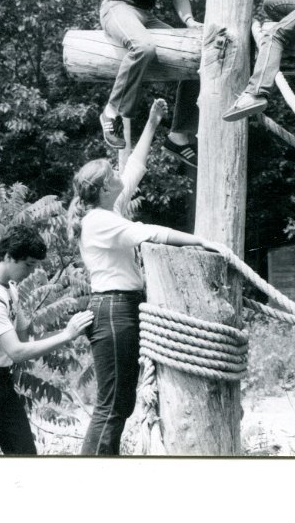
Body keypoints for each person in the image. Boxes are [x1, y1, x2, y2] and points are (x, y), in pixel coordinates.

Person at [68, 98, 220, 455]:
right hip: (113, 309)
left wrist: (153, 122)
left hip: (120, 307)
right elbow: (151, 233)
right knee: (113, 405)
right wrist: (201, 241)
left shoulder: (107, 208)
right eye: (113, 176)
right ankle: (92, 477)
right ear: (104, 188)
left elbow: (134, 165)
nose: (120, 177)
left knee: (119, 404)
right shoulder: (100, 220)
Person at [99, 0, 230, 168]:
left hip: (145, 15)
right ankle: (111, 112)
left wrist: (189, 20)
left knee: (197, 55)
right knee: (143, 47)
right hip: (118, 6)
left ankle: (178, 135)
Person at [0, 225, 94, 455]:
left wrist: (71, 330)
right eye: (28, 265)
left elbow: (25, 336)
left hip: (1, 383)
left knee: (25, 456)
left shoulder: (9, 289)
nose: (32, 272)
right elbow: (17, 351)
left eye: (35, 266)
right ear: (7, 257)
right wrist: (67, 334)